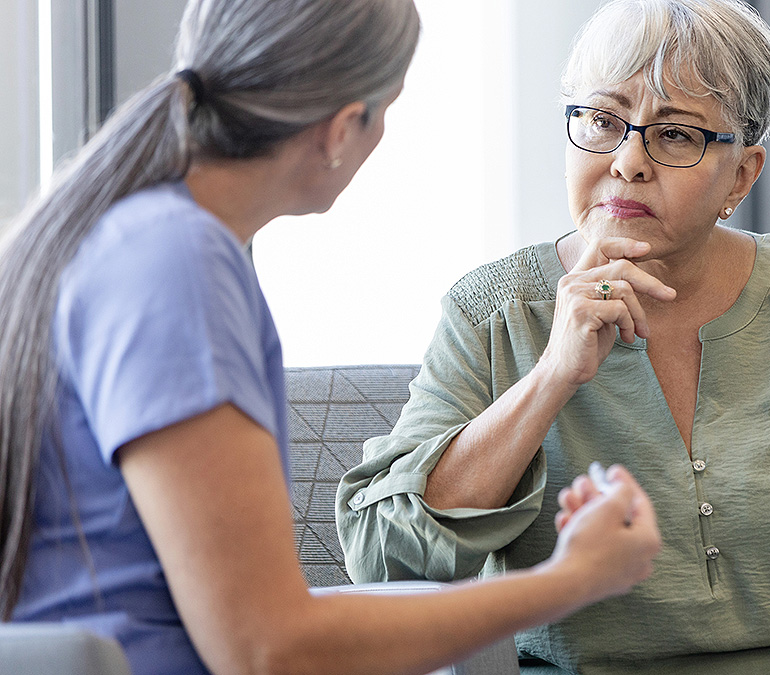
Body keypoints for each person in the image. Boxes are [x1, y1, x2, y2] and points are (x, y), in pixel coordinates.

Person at [0, 1, 663, 673]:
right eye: (387, 112)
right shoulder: (179, 265)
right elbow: (270, 646)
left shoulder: (128, 236)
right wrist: (572, 579)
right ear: (344, 127)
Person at [336, 0, 770, 674]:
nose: (628, 161)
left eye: (675, 135)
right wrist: (555, 371)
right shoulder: (490, 314)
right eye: (603, 122)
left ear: (742, 173)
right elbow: (385, 559)